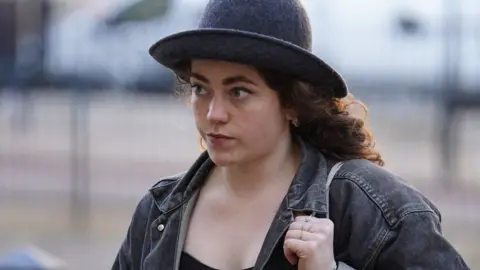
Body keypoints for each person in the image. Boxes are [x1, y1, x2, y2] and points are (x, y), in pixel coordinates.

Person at [112, 0, 470, 269]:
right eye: (201, 88)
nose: (213, 113)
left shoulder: (373, 212)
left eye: (239, 91)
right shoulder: (159, 212)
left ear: (292, 104)